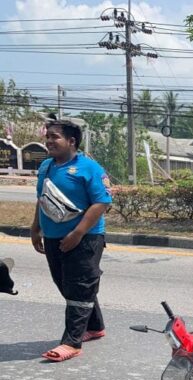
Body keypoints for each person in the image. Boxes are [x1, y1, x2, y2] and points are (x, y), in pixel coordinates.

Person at [31, 116, 113, 362]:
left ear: (71, 141)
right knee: (66, 285)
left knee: (79, 286)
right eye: (47, 137)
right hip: (54, 236)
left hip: (86, 237)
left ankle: (71, 342)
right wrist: (35, 228)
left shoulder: (90, 168)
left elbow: (102, 202)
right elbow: (42, 199)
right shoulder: (46, 167)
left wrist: (77, 233)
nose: (49, 141)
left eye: (54, 137)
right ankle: (95, 327)